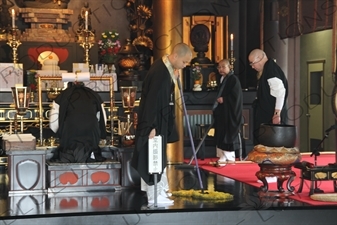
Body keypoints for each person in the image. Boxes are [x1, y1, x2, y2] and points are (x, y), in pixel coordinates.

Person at [131, 43, 192, 205]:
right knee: (153, 156)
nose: (185, 66)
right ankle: (154, 195)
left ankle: (159, 189)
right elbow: (152, 101)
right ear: (176, 56)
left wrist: (174, 78)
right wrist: (151, 126)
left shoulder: (165, 67)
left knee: (157, 156)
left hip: (159, 119)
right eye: (184, 62)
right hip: (154, 121)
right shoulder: (160, 72)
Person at [248, 49, 288, 183]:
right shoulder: (267, 70)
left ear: (261, 58)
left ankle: (272, 173)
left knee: (271, 145)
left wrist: (277, 113)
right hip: (267, 114)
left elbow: (280, 92)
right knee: (266, 144)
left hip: (272, 116)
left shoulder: (271, 71)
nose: (252, 67)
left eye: (253, 63)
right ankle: (267, 171)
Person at [49, 82, 107, 163]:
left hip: (69, 141)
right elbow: (103, 120)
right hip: (91, 140)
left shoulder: (62, 96)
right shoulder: (94, 95)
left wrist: (59, 134)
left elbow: (53, 124)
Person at [213, 59, 243, 164]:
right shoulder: (222, 79)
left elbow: (236, 96)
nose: (221, 69)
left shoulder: (233, 79)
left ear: (229, 67)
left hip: (230, 111)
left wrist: (224, 99)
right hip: (223, 111)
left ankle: (229, 156)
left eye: (223, 67)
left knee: (228, 132)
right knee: (221, 131)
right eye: (219, 67)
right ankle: (222, 155)